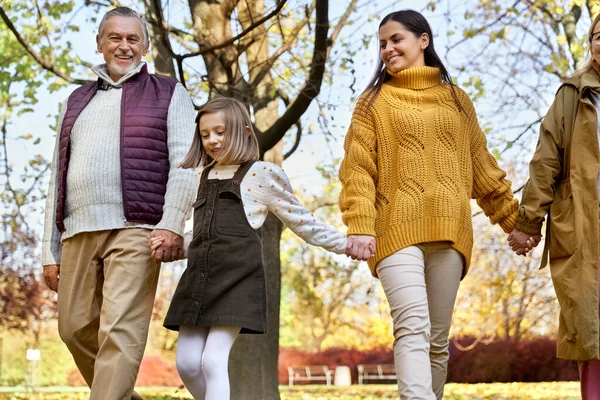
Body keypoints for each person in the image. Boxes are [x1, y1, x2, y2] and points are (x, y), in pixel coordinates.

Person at [338, 9, 520, 400]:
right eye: (382, 43)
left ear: (423, 40)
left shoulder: (457, 100)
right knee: (412, 326)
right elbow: (357, 170)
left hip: (451, 233)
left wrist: (515, 223)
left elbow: (482, 167)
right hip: (394, 231)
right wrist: (360, 225)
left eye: (396, 40)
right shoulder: (373, 103)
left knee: (437, 341)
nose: (387, 49)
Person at [148, 96, 369, 400]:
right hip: (197, 283)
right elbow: (197, 236)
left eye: (220, 132)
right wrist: (172, 246)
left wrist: (346, 245)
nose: (212, 140)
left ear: (243, 131)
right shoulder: (200, 178)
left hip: (237, 283)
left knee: (213, 361)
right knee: (187, 364)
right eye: (205, 134)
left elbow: (303, 222)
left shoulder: (261, 175)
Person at [41, 7, 196, 400]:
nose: (123, 46)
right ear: (100, 43)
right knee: (73, 328)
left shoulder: (169, 92)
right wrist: (49, 248)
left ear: (144, 46)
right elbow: (57, 176)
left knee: (119, 331)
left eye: (132, 39)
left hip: (137, 227)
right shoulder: (78, 99)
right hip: (77, 229)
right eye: (115, 37)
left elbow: (186, 163)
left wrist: (171, 222)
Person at [508, 13, 600, 400]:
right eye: (598, 36)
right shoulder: (573, 94)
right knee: (592, 329)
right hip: (583, 227)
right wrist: (528, 222)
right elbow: (546, 160)